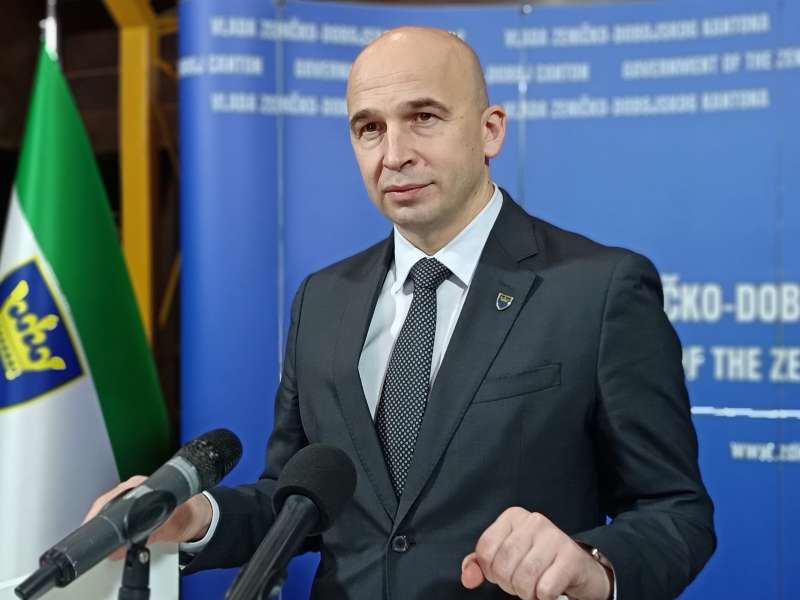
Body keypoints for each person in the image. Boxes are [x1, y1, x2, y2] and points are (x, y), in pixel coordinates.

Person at [87, 26, 715, 599]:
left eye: (424, 117)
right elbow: (296, 500)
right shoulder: (322, 300)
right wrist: (195, 517)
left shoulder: (598, 290)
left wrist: (591, 564)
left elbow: (675, 511)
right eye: (369, 128)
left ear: (491, 130)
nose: (394, 154)